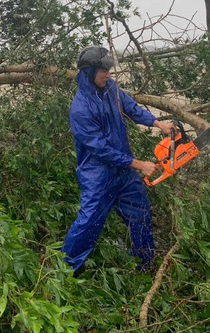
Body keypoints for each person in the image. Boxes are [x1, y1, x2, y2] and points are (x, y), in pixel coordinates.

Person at [62, 46, 174, 275]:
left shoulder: (111, 89)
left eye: (109, 70)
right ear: (89, 72)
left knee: (141, 215)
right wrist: (139, 164)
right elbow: (101, 150)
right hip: (98, 175)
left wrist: (157, 123)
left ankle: (144, 265)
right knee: (88, 224)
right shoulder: (80, 110)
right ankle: (64, 271)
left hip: (124, 172)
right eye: (103, 71)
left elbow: (131, 108)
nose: (108, 75)